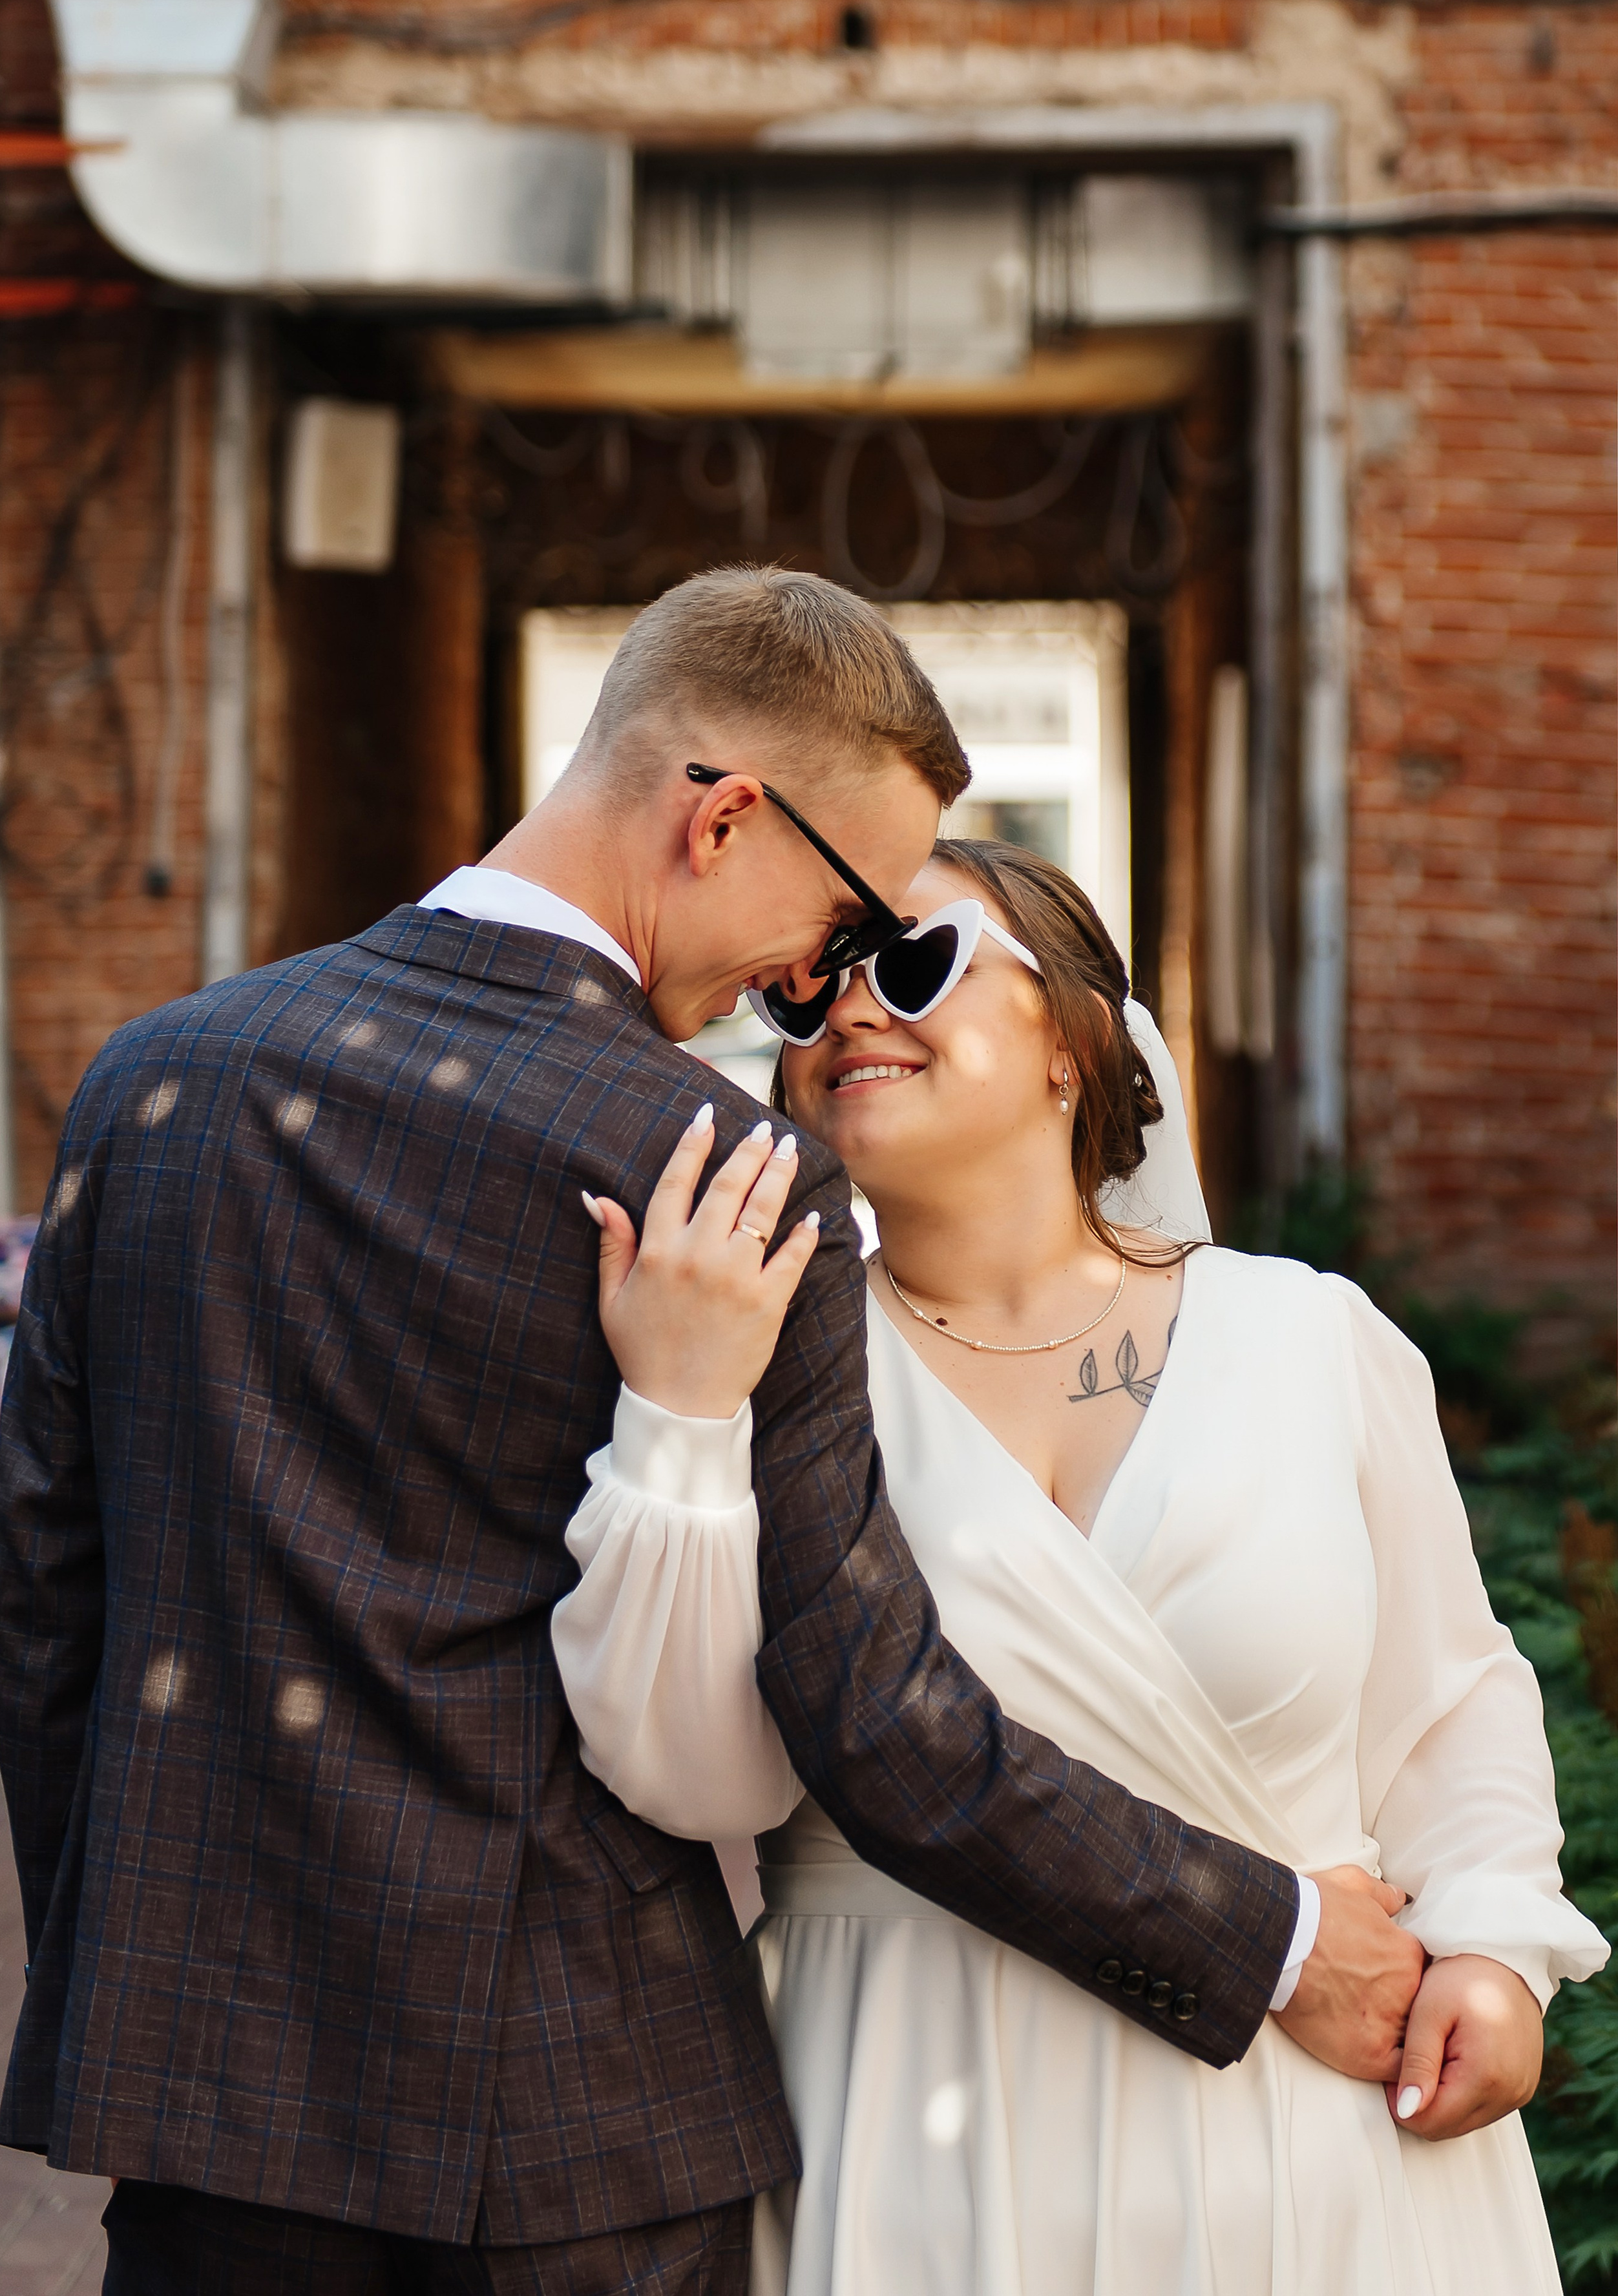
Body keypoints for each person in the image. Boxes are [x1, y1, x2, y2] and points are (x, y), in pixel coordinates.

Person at [0, 570, 1419, 2296]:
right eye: (841, 917)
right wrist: (1270, 1938)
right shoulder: (718, 1173)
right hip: (582, 2124)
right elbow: (875, 1717)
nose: (814, 982)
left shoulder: (152, 1084)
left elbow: (49, 1608)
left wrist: (136, 1994)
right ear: (724, 817)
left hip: (209, 2116)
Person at [554, 832, 1609, 2295]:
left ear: (1075, 1040)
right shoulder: (761, 1366)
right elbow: (690, 1776)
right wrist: (676, 1414)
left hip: (1311, 2122)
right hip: (913, 2116)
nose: (847, 1007)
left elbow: (1452, 1698)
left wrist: (1493, 1946)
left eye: (911, 962)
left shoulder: (1310, 1338)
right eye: (804, 988)